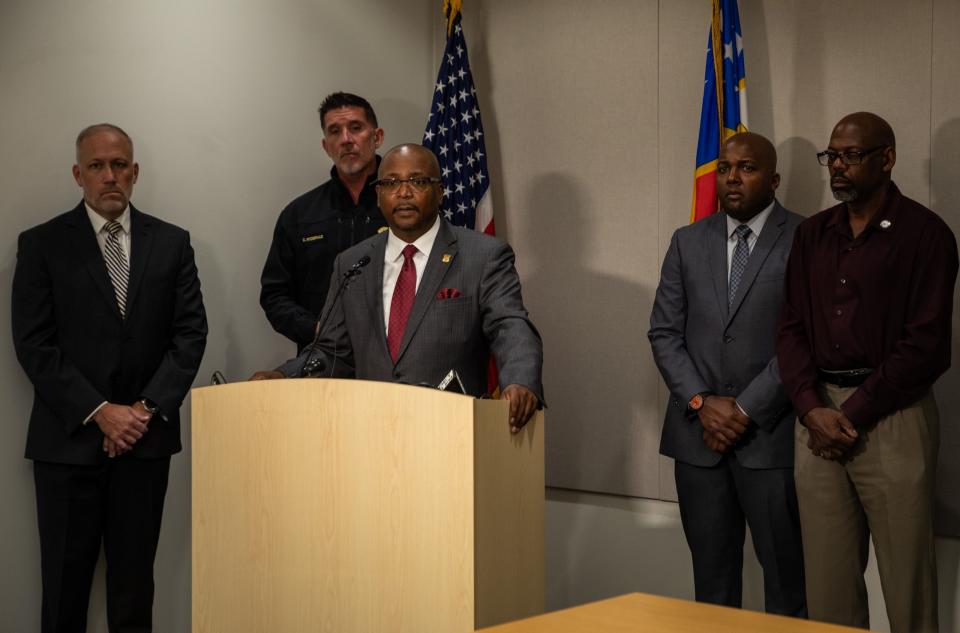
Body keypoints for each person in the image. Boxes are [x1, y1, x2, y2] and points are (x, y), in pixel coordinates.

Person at [12, 123, 208, 633]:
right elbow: (34, 345)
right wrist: (101, 413)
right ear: (78, 174)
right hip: (67, 445)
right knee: (63, 589)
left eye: (119, 165)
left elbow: (190, 336)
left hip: (145, 446)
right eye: (97, 166)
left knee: (134, 588)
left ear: (135, 172)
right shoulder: (42, 244)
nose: (109, 176)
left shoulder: (172, 242)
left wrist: (140, 412)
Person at [777, 112, 958, 633]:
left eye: (852, 156)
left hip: (893, 419)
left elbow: (925, 346)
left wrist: (849, 414)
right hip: (816, 422)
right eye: (831, 155)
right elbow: (789, 329)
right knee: (828, 591)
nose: (838, 166)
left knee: (907, 588)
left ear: (887, 158)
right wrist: (812, 409)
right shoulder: (812, 234)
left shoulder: (926, 235)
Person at [251, 143, 542, 432]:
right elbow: (332, 351)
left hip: (452, 433)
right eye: (390, 183)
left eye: (417, 181)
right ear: (378, 195)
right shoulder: (353, 263)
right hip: (369, 430)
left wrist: (519, 380)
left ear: (440, 192)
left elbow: (510, 326)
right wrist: (284, 374)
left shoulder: (482, 256)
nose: (403, 192)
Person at [649, 132, 806, 616]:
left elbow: (804, 340)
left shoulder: (806, 238)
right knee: (712, 591)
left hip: (770, 440)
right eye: (725, 168)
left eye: (747, 168)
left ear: (774, 179)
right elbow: (664, 333)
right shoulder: (687, 240)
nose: (732, 178)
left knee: (788, 587)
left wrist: (743, 409)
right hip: (698, 442)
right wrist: (701, 402)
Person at [260, 92, 389, 351]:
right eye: (334, 131)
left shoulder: (405, 207)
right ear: (326, 146)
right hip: (321, 358)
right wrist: (317, 330)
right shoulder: (299, 215)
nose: (346, 140)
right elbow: (275, 296)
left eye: (355, 128)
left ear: (377, 137)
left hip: (395, 357)